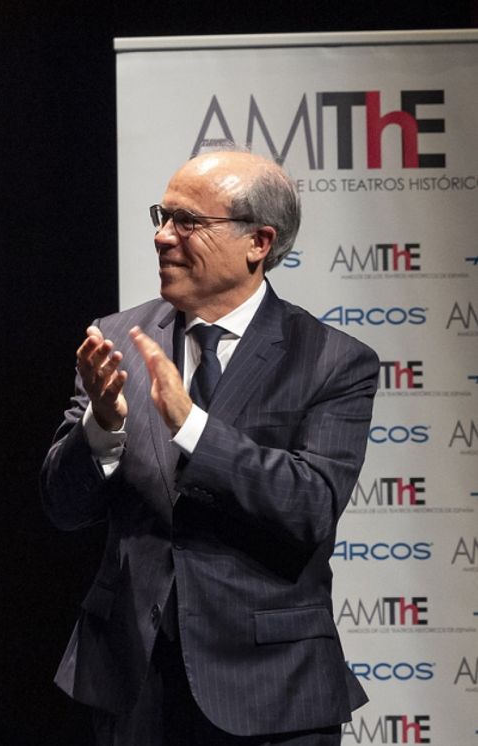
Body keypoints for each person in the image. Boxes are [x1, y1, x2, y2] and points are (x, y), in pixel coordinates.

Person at [41, 150, 377, 745]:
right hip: (132, 680)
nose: (162, 236)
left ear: (258, 242)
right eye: (161, 215)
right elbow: (64, 508)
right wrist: (101, 427)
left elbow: (310, 507)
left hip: (272, 689)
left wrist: (192, 424)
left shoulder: (332, 360)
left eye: (187, 221)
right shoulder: (119, 339)